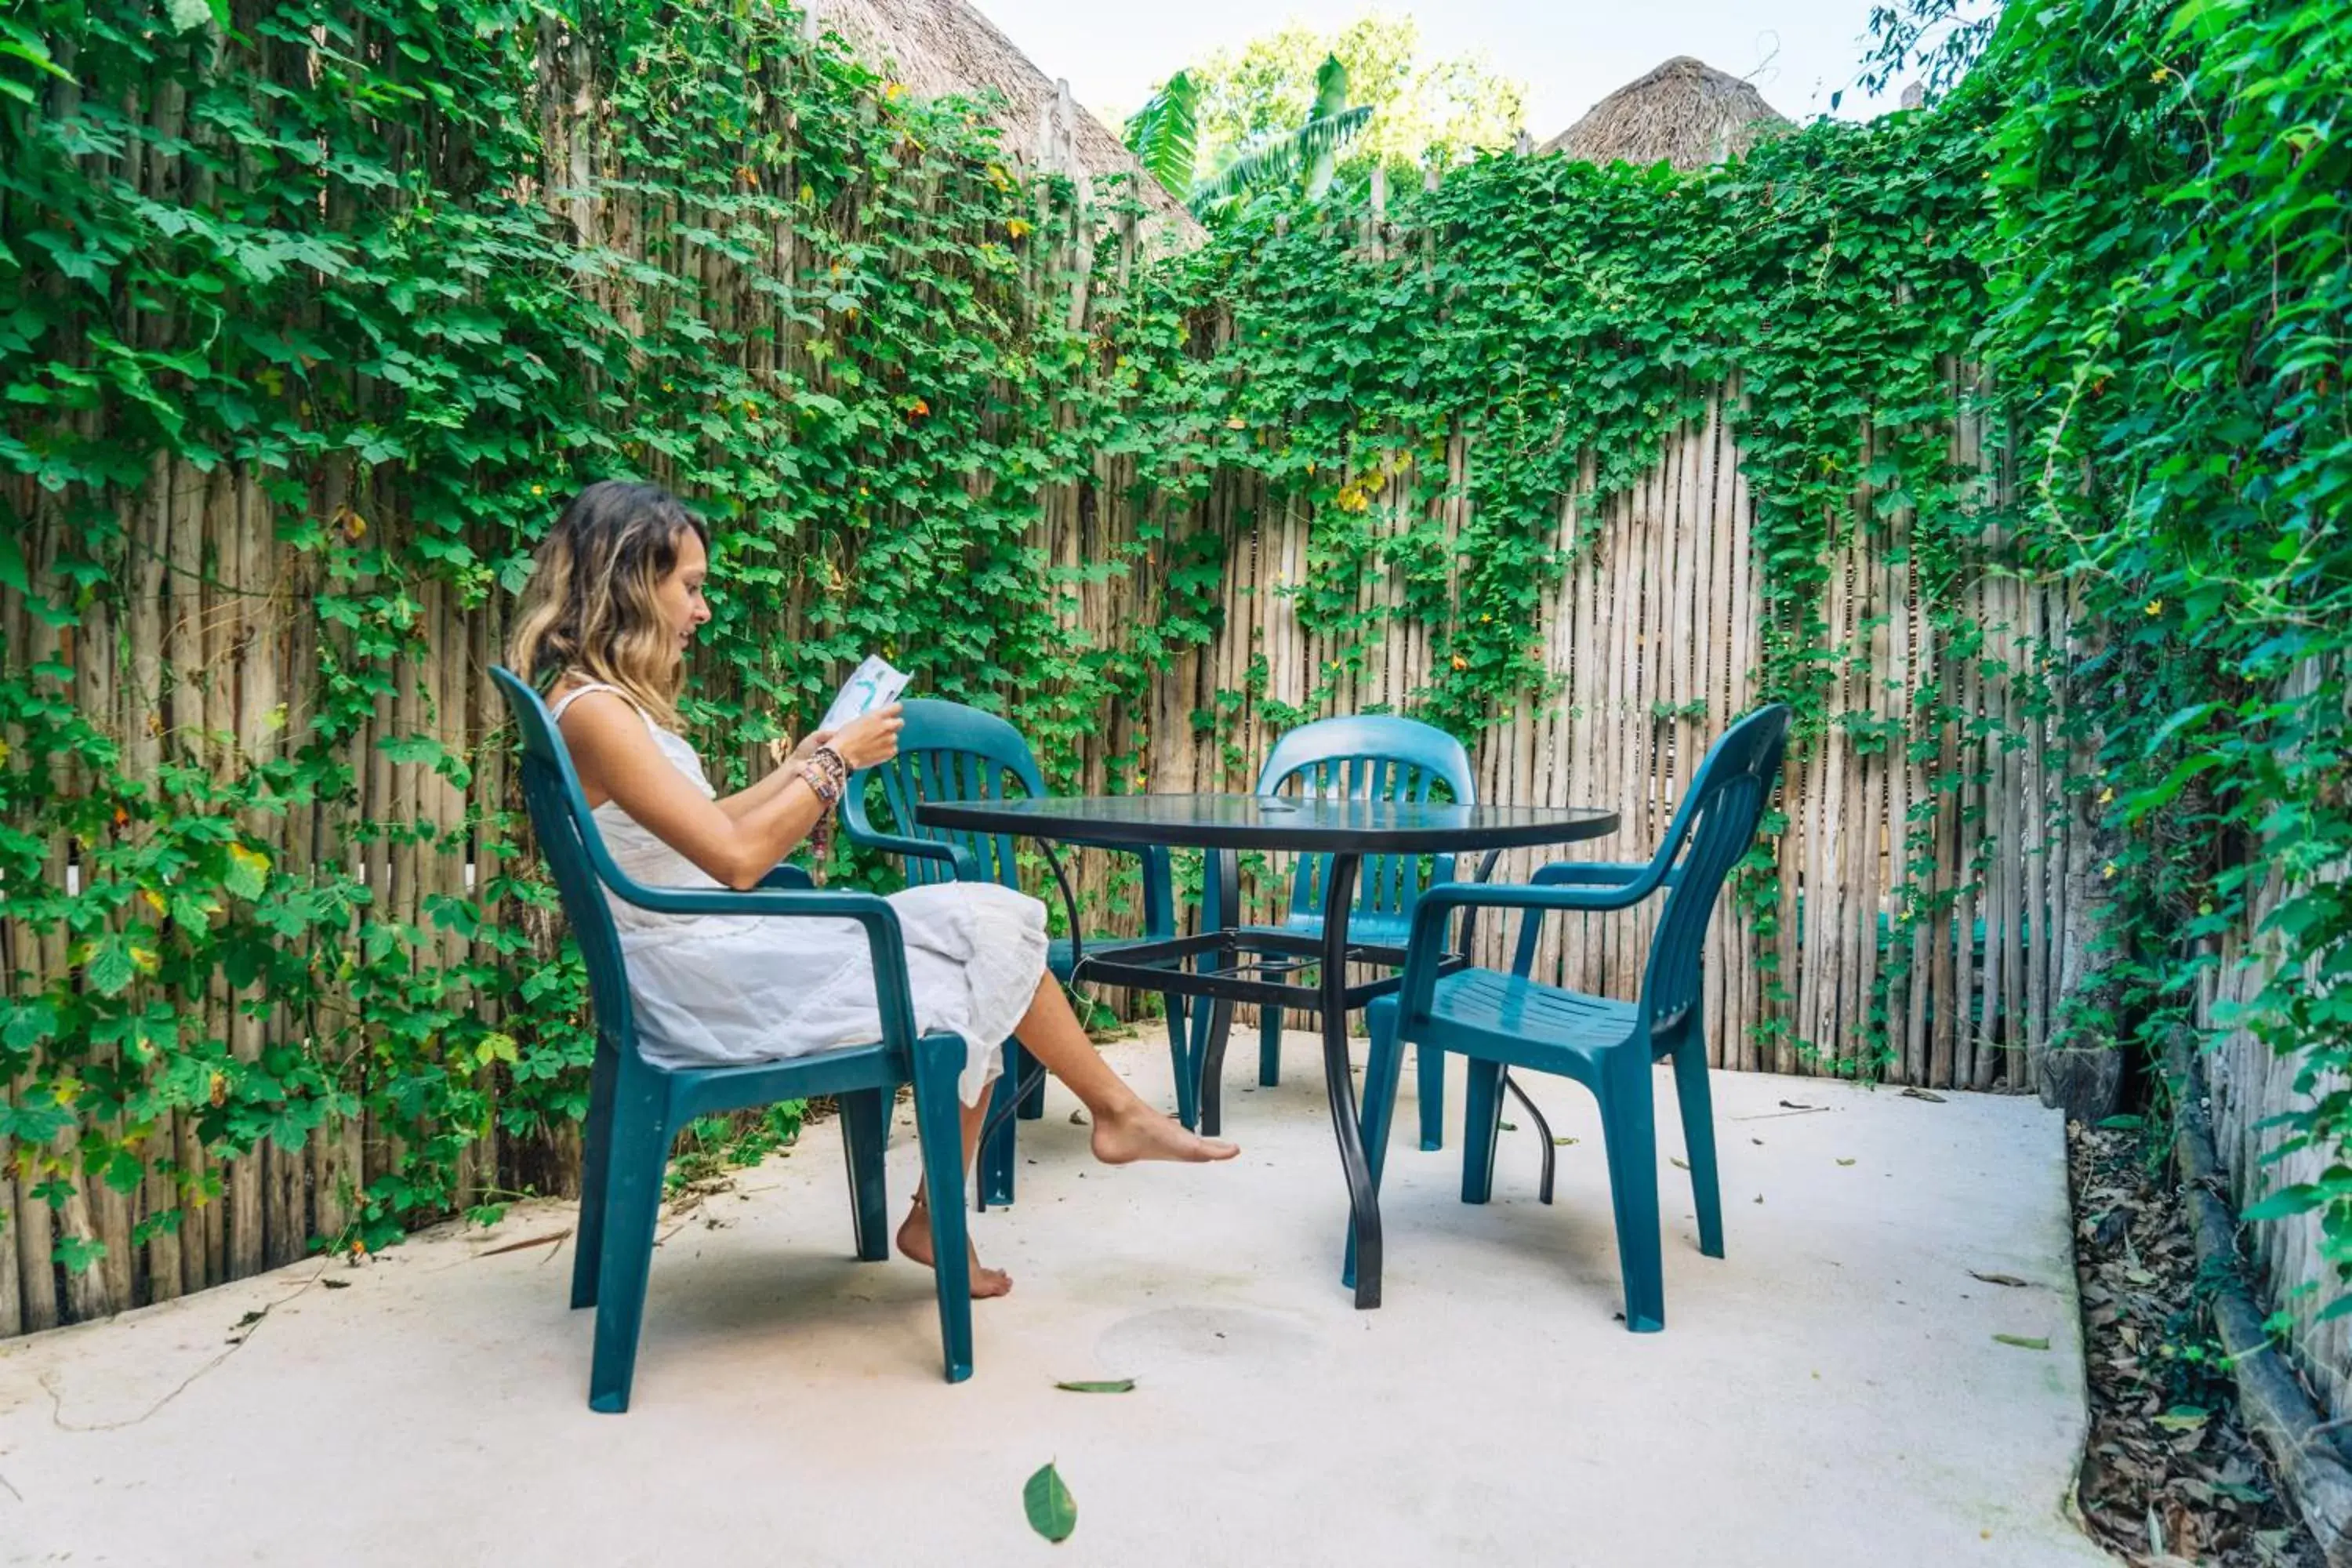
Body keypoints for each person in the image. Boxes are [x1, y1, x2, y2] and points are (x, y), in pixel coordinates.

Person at [507, 480, 1237, 1299]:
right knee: (974, 964)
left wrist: (797, 763)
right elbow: (739, 860)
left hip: (704, 945)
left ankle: (1098, 1121)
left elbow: (708, 829)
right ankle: (1035, 1158)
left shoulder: (586, 703)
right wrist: (837, 763)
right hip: (702, 978)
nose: (702, 610)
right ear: (634, 583)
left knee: (981, 931)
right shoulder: (597, 714)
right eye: (692, 586)